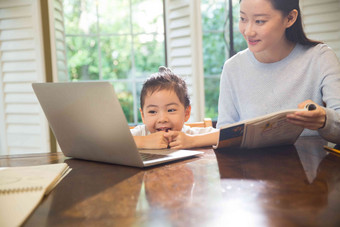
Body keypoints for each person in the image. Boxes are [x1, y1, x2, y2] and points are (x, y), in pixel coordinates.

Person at [217, 0, 340, 144]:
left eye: (260, 21)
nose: (248, 31)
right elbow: (224, 134)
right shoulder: (233, 67)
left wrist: (324, 120)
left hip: (310, 164)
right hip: (250, 164)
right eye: (243, 19)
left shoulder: (320, 57)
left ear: (290, 18)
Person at [131, 66, 219, 149]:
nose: (162, 119)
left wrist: (191, 141)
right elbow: (117, 141)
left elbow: (226, 135)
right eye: (152, 112)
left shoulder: (188, 134)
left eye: (171, 110)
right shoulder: (141, 133)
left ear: (186, 113)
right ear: (143, 115)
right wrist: (144, 142)